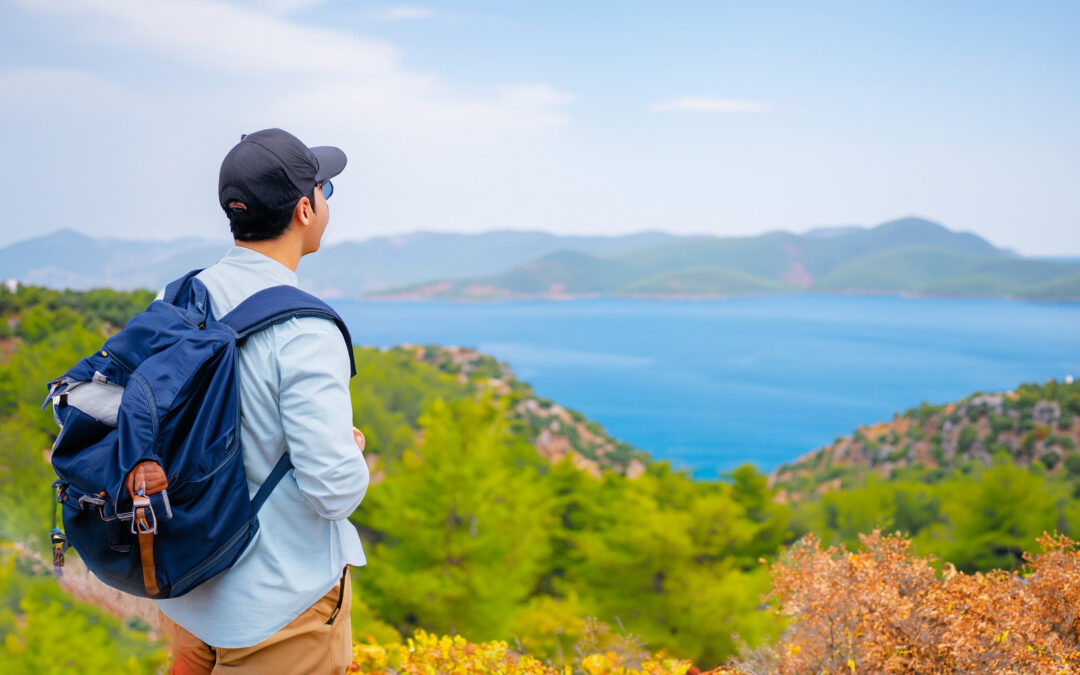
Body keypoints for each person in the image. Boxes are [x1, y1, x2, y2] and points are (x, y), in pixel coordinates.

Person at [130, 128, 370, 675]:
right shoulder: (307, 330)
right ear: (305, 209)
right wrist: (350, 450)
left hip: (185, 591)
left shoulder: (177, 300)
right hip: (279, 611)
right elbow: (334, 493)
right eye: (325, 192)